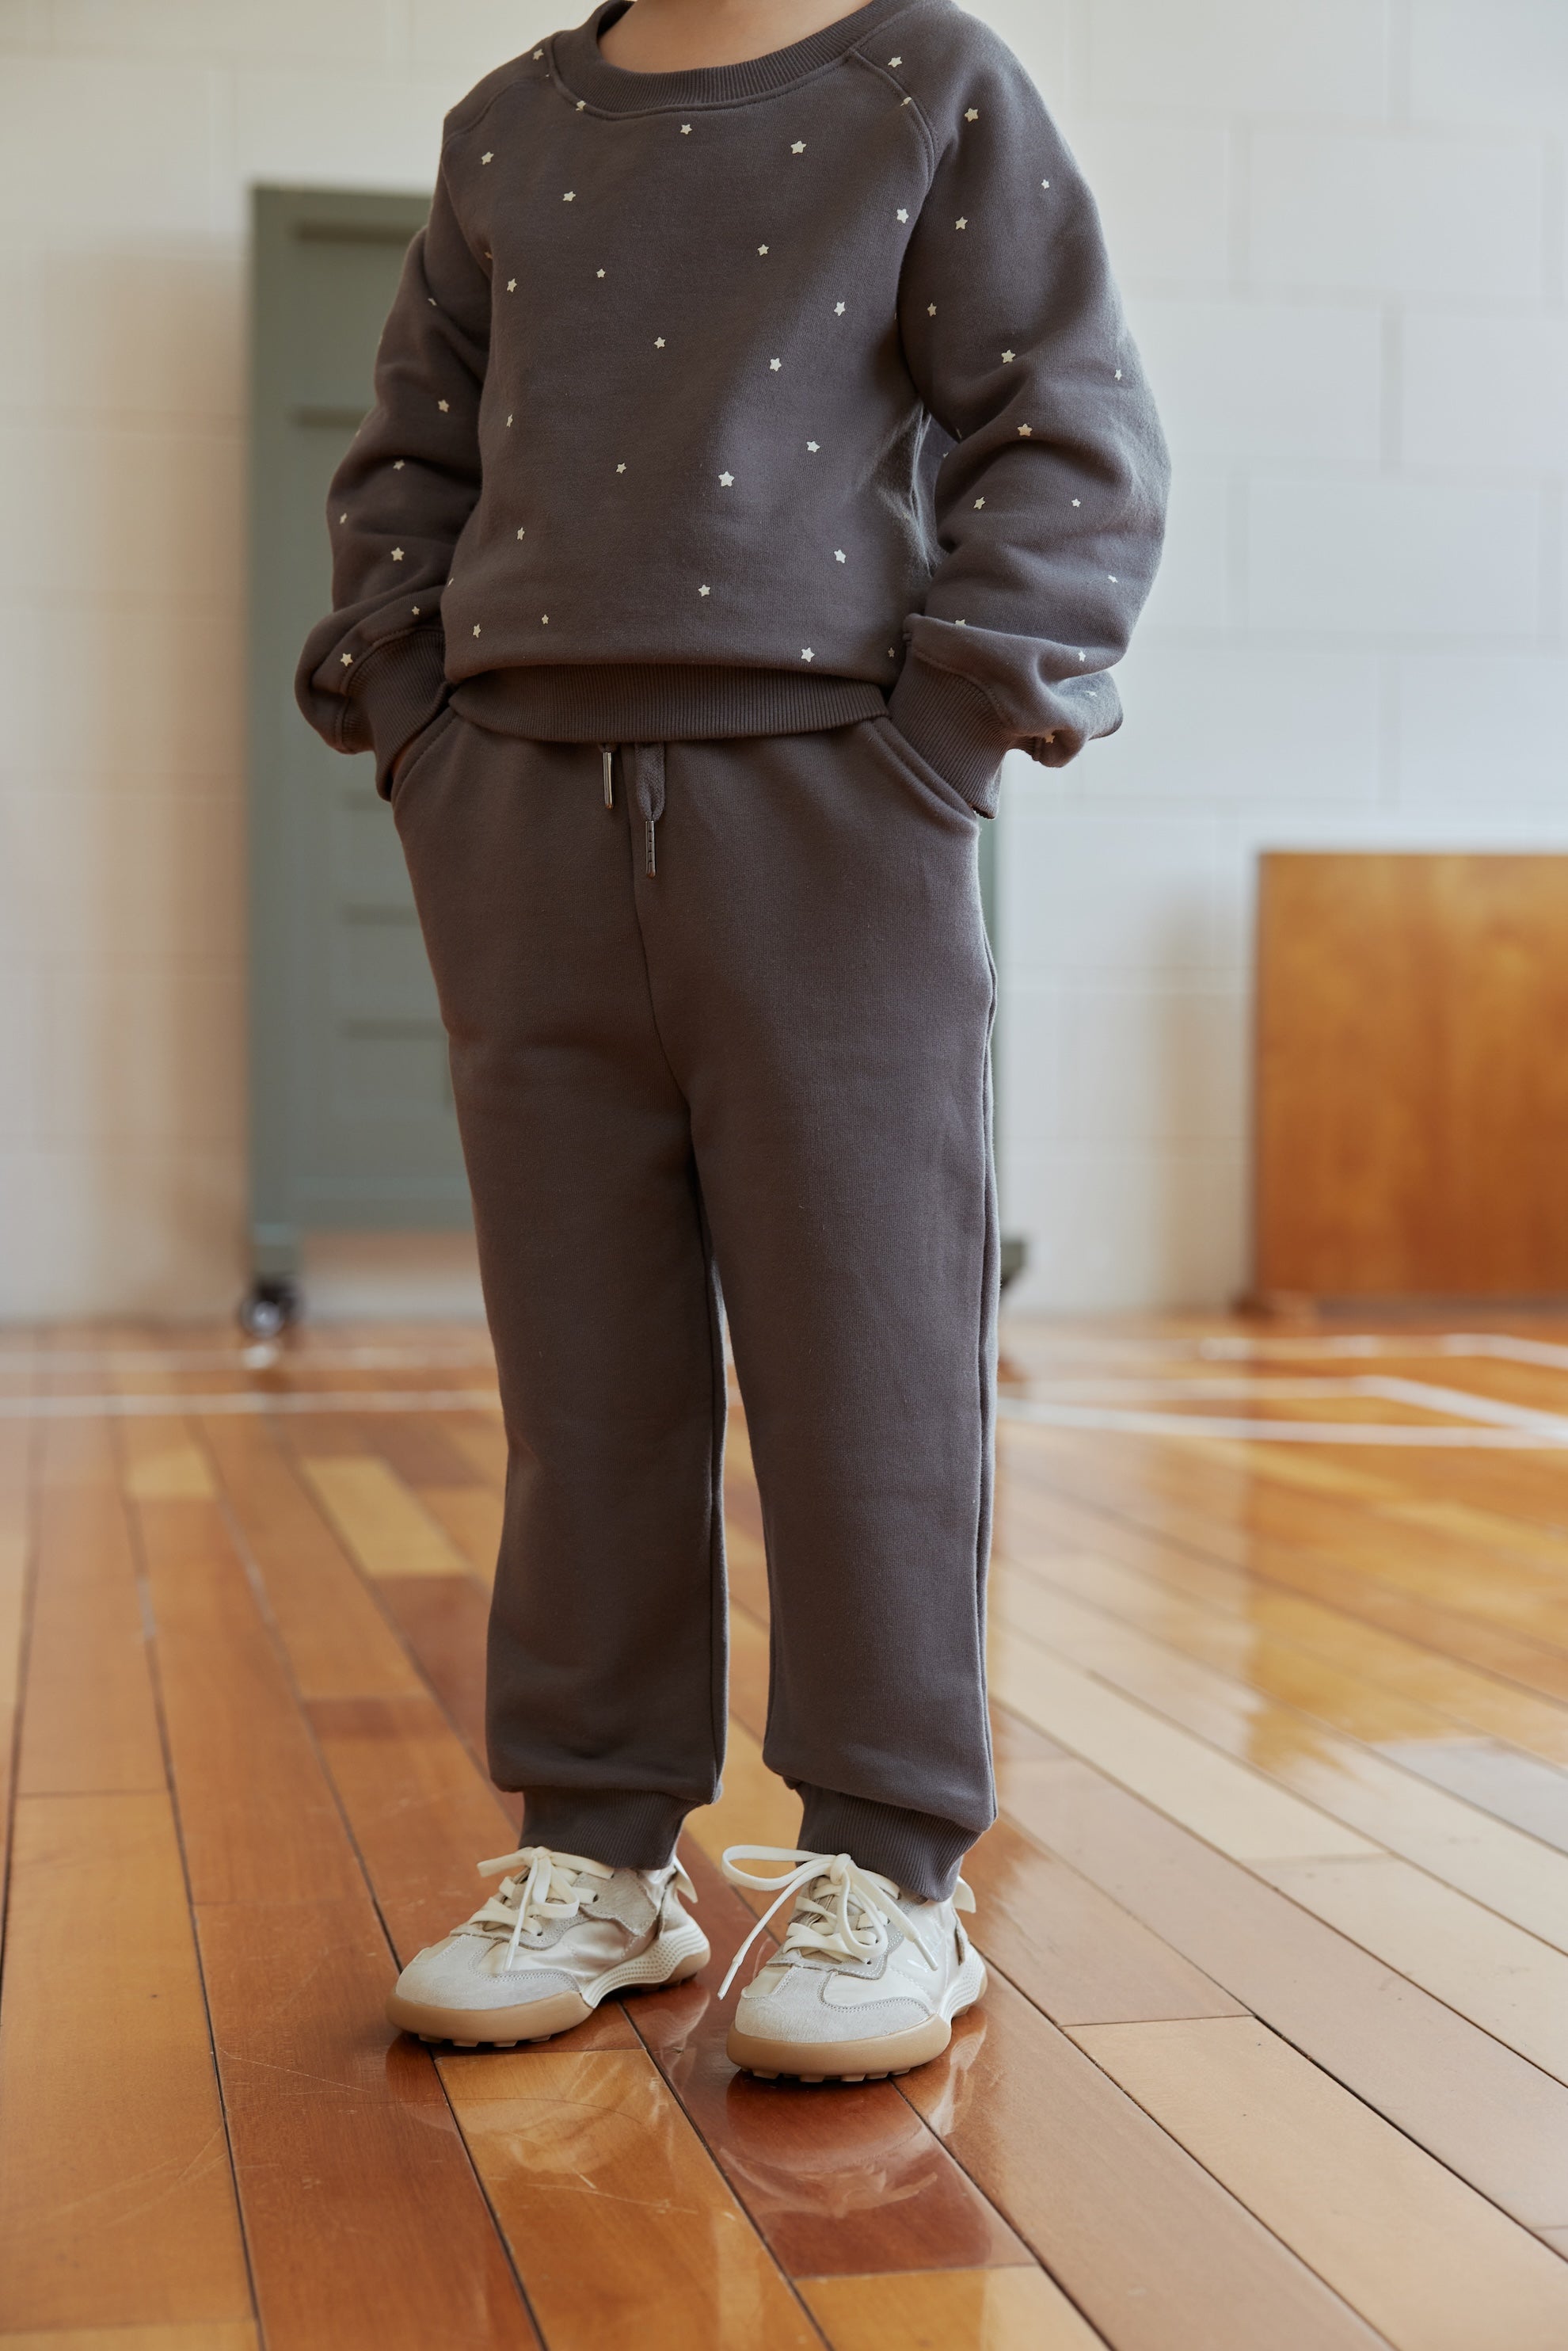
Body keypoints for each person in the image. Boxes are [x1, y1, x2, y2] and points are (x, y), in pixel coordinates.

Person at [296, 0, 1166, 2083]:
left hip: (830, 800)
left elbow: (1069, 424)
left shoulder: (927, 83)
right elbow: (409, 451)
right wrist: (414, 725)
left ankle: (888, 1865)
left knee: (868, 1339)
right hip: (516, 798)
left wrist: (941, 739)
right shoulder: (506, 122)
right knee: (575, 1350)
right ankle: (598, 1853)